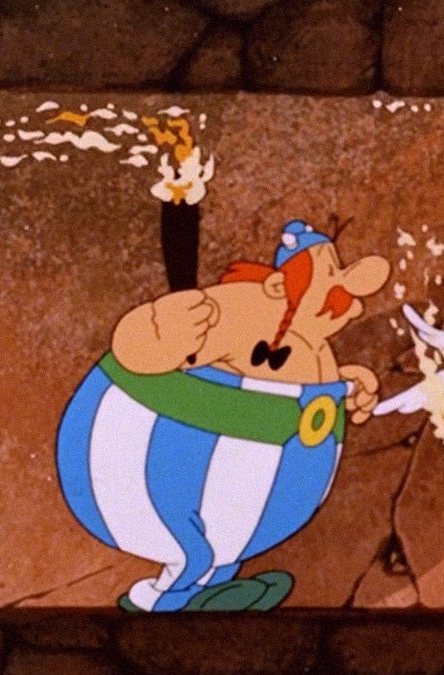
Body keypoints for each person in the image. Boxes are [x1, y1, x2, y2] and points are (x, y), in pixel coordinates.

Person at [55, 219, 387, 611]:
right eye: (331, 272)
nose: (349, 295)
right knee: (192, 527)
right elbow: (136, 351)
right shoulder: (242, 309)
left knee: (227, 535)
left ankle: (209, 586)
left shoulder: (311, 342)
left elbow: (294, 381)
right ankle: (169, 595)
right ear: (278, 285)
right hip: (162, 470)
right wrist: (154, 331)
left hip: (268, 470)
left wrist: (346, 387)